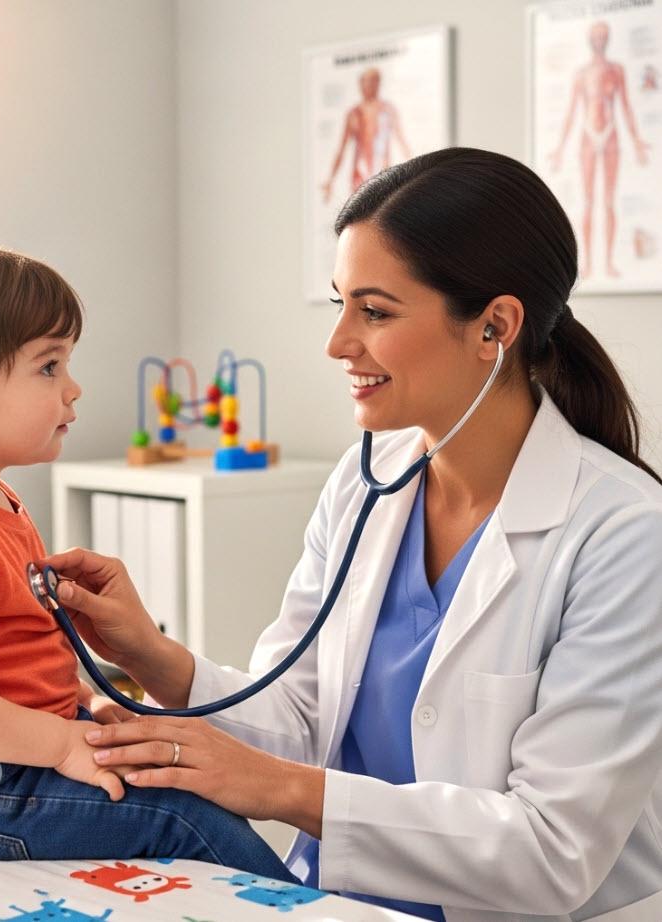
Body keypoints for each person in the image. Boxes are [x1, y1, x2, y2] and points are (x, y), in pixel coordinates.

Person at [42, 149, 662, 921]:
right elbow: (303, 717)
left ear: (495, 327)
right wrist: (150, 657)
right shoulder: (366, 482)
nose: (338, 342)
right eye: (341, 304)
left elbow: (553, 849)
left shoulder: (623, 535)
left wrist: (279, 788)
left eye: (374, 312)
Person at [0, 242, 295, 880]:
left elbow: (11, 659)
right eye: (49, 367)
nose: (74, 389)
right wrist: (60, 743)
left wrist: (82, 706)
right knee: (184, 814)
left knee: (181, 771)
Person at [549, 20, 652, 279]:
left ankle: (607, 262)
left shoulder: (616, 70)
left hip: (611, 135)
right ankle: (588, 264)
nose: (600, 40)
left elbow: (625, 106)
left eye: (603, 36)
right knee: (588, 201)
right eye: (596, 36)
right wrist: (560, 148)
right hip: (588, 136)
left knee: (608, 201)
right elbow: (572, 112)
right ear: (590, 39)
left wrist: (637, 140)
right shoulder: (581, 74)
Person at [321, 67, 411, 203]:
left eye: (373, 82)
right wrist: (330, 179)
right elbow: (341, 149)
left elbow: (403, 143)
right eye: (366, 82)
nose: (368, 86)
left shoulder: (388, 110)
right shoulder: (353, 114)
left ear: (378, 84)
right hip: (359, 176)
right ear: (360, 84)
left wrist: (416, 176)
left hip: (384, 174)